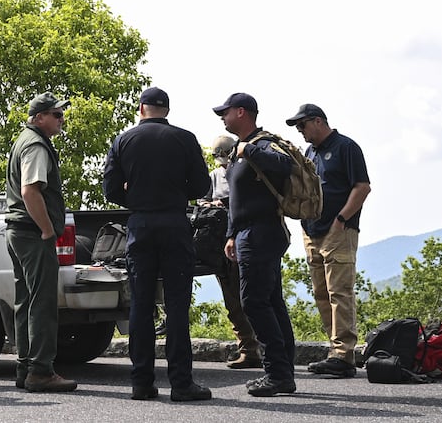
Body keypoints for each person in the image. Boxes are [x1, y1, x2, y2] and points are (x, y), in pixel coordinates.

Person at [102, 86, 213, 402]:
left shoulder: (123, 140)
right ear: (167, 110)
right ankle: (181, 383)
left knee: (141, 304)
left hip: (140, 224)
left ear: (141, 109)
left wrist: (136, 198)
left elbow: (110, 189)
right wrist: (176, 193)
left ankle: (141, 382)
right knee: (177, 305)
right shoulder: (185, 139)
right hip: (175, 223)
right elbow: (202, 185)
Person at [215, 92, 298, 397]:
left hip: (262, 234)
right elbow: (239, 199)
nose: (222, 118)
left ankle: (277, 373)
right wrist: (231, 234)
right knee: (270, 301)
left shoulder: (261, 143)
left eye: (225, 112)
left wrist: (249, 150)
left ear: (242, 112)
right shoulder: (240, 150)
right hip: (248, 233)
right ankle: (283, 372)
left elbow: (285, 165)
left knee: (253, 302)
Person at [287, 103, 371, 377]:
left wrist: (341, 220)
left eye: (302, 125)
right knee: (322, 293)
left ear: (318, 121)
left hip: (338, 231)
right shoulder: (310, 152)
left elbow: (362, 187)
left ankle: (344, 355)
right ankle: (334, 351)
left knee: (339, 292)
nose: (300, 131)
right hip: (312, 231)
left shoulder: (346, 147)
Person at [4, 93, 77, 392]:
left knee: (26, 301)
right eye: (56, 114)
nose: (61, 119)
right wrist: (47, 229)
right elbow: (30, 191)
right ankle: (41, 371)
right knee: (42, 302)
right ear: (39, 118)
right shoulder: (35, 144)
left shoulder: (25, 140)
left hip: (18, 231)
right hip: (32, 233)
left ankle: (25, 368)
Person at [207, 132, 260, 370]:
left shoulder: (246, 170)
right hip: (221, 244)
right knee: (232, 301)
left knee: (252, 297)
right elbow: (202, 202)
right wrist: (214, 204)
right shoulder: (213, 177)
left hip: (246, 239)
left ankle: (266, 348)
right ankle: (248, 349)